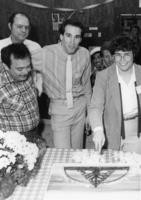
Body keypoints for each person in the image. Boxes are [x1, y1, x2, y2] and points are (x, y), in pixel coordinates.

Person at [42, 19, 92, 149]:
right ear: (61, 36)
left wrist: (90, 113)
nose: (72, 41)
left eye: (77, 37)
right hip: (59, 108)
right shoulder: (46, 53)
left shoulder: (85, 54)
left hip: (80, 107)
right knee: (63, 153)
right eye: (68, 36)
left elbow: (86, 85)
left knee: (77, 151)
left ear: (80, 39)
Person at [89, 35, 141, 154]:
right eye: (118, 55)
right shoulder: (103, 76)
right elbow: (96, 106)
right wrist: (97, 130)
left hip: (136, 131)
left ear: (134, 54)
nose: (122, 60)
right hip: (111, 129)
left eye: (127, 54)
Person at [0, 43, 39, 137]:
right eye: (20, 69)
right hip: (13, 137)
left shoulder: (28, 73)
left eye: (28, 66)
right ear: (6, 66)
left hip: (35, 130)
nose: (26, 72)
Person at [0, 12, 42, 95]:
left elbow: (39, 72)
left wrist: (38, 88)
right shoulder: (0, 46)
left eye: (27, 27)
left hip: (30, 95)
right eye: (19, 27)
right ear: (10, 26)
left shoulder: (35, 47)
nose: (24, 30)